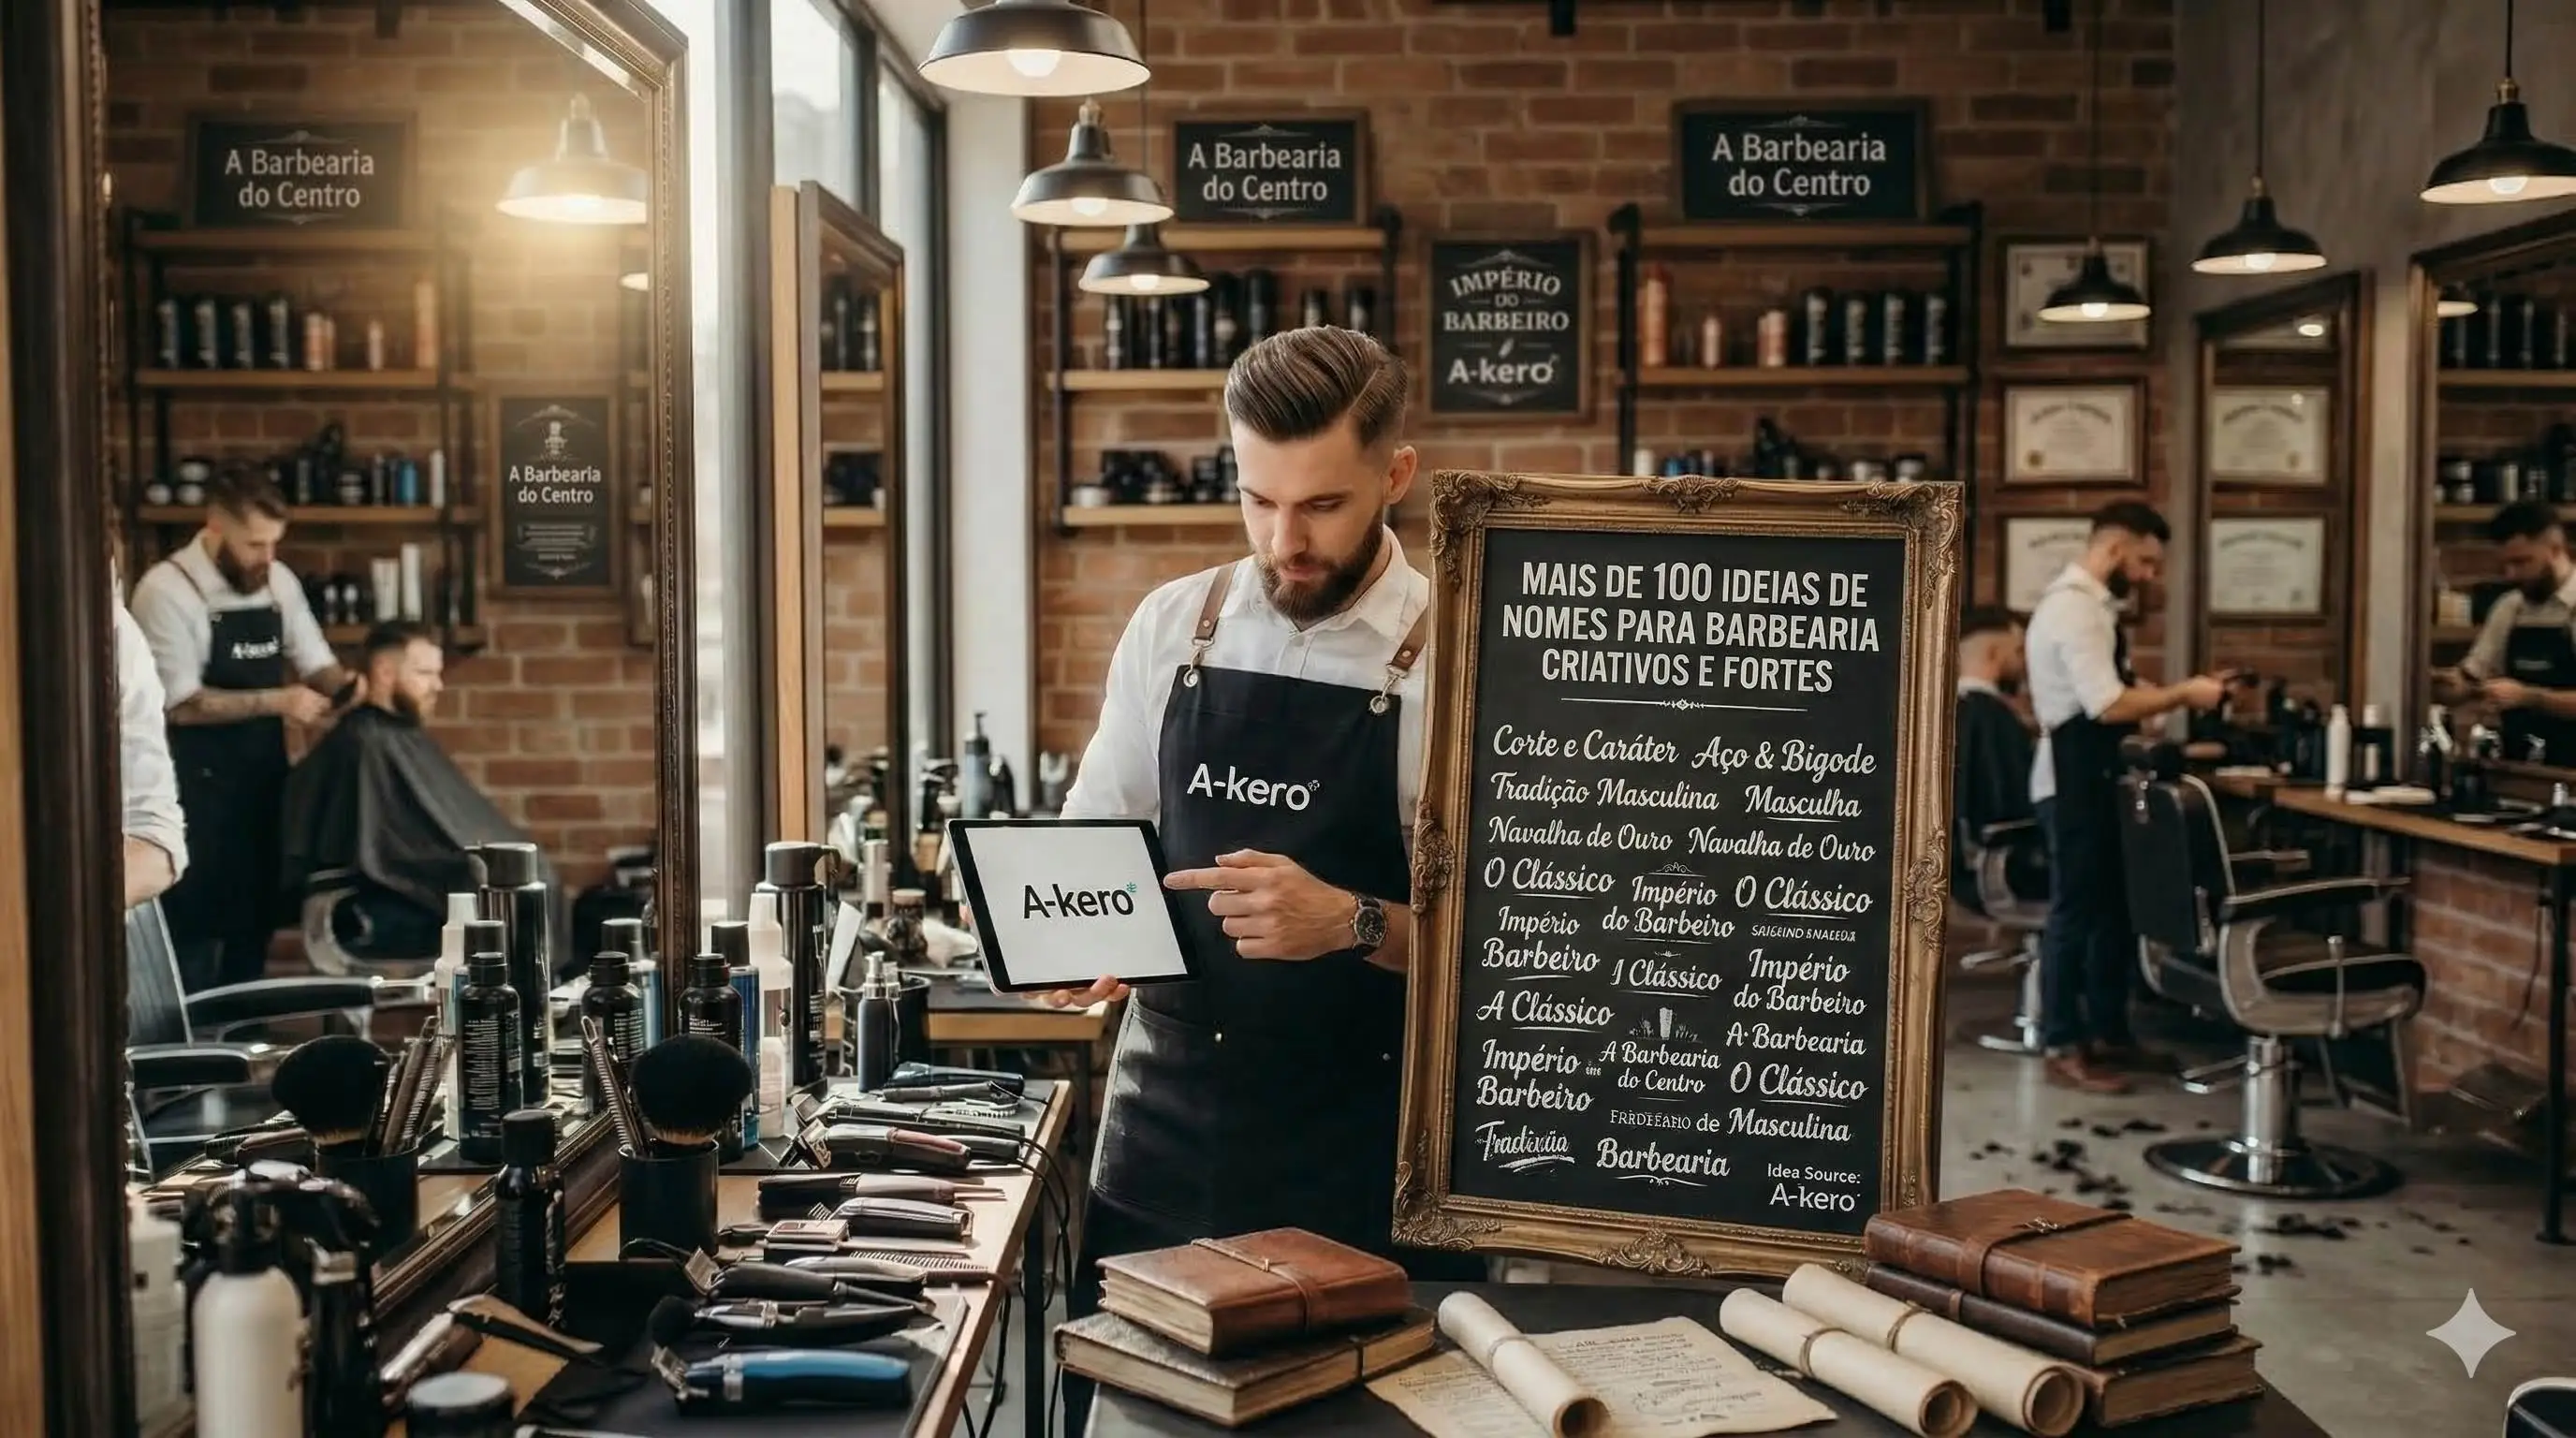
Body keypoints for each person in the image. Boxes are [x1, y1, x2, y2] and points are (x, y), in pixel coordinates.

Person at [1043, 326, 1481, 1435]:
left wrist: (1355, 920)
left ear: (1394, 475)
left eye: (1322, 506)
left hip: (1368, 1156)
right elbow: (1096, 838)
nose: (1284, 541)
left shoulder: (1462, 663)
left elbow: (1512, 957)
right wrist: (1071, 934)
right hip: (1166, 1141)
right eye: (1256, 501)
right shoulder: (1170, 627)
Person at [2024, 502, 2230, 1094]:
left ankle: (2108, 1032)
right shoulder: (2074, 611)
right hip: (2070, 785)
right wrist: (2185, 695)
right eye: (2143, 561)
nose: (2147, 576)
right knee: (2076, 913)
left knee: (2113, 911)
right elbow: (2107, 704)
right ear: (2114, 548)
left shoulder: (2095, 611)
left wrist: (2170, 694)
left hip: (2094, 779)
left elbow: (2121, 690)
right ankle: (2063, 1041)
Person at [130, 472, 347, 989]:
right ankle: (189, 1051)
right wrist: (280, 700)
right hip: (195, 786)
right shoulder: (167, 591)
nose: (267, 556)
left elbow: (318, 663)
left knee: (255, 920)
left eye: (275, 542)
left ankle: (247, 1043)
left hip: (263, 774)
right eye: (254, 543)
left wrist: (366, 688)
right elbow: (181, 704)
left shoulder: (276, 580)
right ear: (214, 528)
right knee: (198, 924)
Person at [280, 622, 549, 967]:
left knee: (528, 893)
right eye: (424, 673)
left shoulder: (397, 736)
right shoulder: (363, 742)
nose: (438, 685)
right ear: (385, 672)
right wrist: (464, 867)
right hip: (378, 906)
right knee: (514, 905)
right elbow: (378, 847)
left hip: (418, 892)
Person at [2435, 500, 2576, 765]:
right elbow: (2472, 677)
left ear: (2555, 549)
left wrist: (2530, 697)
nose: (2511, 574)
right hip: (2522, 768)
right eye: (2505, 565)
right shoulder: (2510, 607)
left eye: (2521, 562)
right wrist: (2450, 685)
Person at [1952, 606, 2040, 909]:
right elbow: (2019, 801)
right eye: (2018, 650)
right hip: (2007, 866)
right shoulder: (1994, 719)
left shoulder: (1943, 715)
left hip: (1957, 865)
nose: (2024, 661)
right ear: (1993, 653)